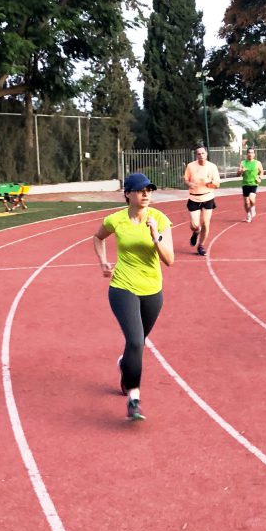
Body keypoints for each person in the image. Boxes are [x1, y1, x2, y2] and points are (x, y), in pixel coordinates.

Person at [92, 173, 175, 420]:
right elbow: (97, 237)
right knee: (137, 342)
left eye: (149, 189)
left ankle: (124, 366)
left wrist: (155, 236)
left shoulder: (159, 219)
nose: (146, 194)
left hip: (152, 291)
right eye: (140, 190)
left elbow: (169, 259)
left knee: (135, 345)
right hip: (123, 288)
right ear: (128, 193)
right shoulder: (116, 220)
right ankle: (134, 399)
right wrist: (103, 261)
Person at [183, 146, 221, 255]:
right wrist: (189, 184)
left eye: (203, 153)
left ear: (206, 154)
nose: (201, 156)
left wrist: (209, 182)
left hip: (208, 197)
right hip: (194, 198)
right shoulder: (190, 166)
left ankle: (201, 245)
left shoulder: (212, 167)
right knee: (194, 225)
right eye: (199, 154)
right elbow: (186, 179)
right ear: (196, 155)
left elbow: (217, 185)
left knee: (205, 223)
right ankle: (196, 232)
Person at [240, 146, 264, 222]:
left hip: (254, 183)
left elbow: (262, 171)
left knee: (251, 198)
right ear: (246, 154)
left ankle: (253, 207)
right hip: (245, 184)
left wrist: (260, 178)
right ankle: (248, 215)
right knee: (246, 203)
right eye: (249, 153)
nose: (250, 154)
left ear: (254, 154)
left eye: (252, 153)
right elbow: (238, 173)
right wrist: (241, 171)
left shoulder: (257, 163)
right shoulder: (243, 163)